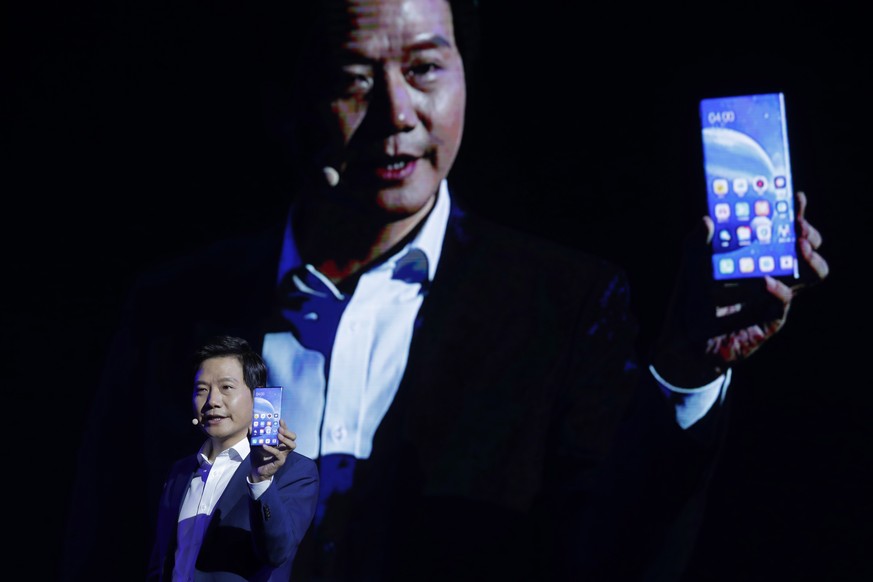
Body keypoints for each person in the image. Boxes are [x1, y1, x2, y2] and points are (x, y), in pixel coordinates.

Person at [61, 1, 829, 580]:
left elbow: (613, 554)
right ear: (285, 98)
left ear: (465, 75)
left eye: (425, 69)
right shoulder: (173, 307)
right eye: (354, 78)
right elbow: (104, 546)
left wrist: (688, 368)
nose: (397, 114)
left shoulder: (563, 304)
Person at [147, 335, 319, 581]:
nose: (212, 401)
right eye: (202, 390)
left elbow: (276, 552)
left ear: (258, 397)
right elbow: (161, 560)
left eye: (226, 387)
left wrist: (261, 480)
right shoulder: (181, 472)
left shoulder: (295, 471)